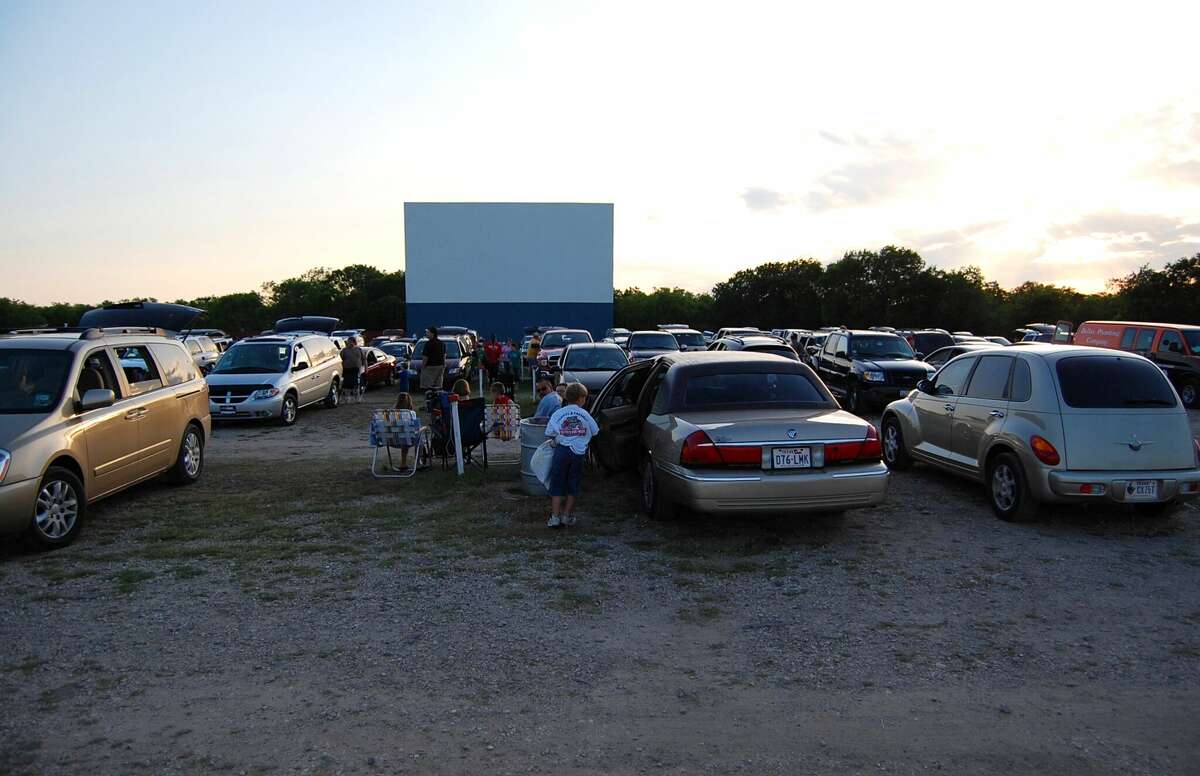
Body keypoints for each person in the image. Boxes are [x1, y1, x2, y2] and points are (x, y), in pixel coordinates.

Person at [544, 382, 599, 528]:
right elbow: (595, 430)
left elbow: (549, 432)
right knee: (573, 482)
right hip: (579, 453)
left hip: (562, 450)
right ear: (582, 398)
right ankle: (566, 515)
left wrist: (561, 434)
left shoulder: (558, 413)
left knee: (557, 480)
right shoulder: (584, 414)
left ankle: (555, 516)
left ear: (566, 397)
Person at [393, 392, 419, 469]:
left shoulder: (391, 414)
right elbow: (416, 428)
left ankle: (403, 463)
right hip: (408, 440)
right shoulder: (411, 414)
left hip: (392, 441)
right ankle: (418, 462)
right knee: (418, 440)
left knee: (404, 437)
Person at [420, 327, 446, 392]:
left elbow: (425, 357)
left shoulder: (428, 344)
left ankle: (430, 398)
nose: (426, 334)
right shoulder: (442, 343)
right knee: (438, 386)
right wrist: (444, 365)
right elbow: (444, 355)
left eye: (428, 332)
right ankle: (439, 398)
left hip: (430, 368)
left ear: (432, 333)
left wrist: (423, 367)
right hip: (440, 366)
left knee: (429, 386)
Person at [340, 337, 365, 401]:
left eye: (350, 341)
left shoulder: (359, 349)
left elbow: (364, 359)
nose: (348, 343)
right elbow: (340, 360)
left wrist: (365, 368)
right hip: (347, 369)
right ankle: (347, 398)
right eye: (348, 342)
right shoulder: (344, 350)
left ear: (354, 342)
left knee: (356, 384)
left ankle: (357, 398)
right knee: (346, 384)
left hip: (356, 369)